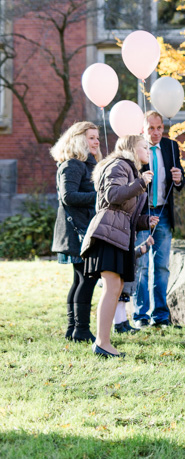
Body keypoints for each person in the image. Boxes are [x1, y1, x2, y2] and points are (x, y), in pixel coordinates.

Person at [80, 135, 158, 357]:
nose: (148, 150)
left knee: (116, 286)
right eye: (144, 147)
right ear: (131, 148)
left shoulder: (131, 171)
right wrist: (141, 182)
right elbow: (112, 195)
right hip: (108, 234)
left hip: (118, 234)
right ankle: (102, 343)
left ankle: (104, 342)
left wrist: (144, 221)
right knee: (112, 286)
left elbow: (125, 211)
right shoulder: (120, 165)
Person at [133, 110, 185, 328]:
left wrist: (180, 178)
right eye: (151, 128)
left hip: (163, 213)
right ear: (142, 129)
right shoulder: (136, 149)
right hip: (143, 213)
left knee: (162, 267)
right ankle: (140, 316)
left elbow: (180, 179)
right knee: (142, 266)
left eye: (159, 128)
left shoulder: (171, 146)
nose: (156, 133)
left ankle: (161, 316)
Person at [50, 121, 102, 343]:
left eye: (97, 137)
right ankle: (80, 330)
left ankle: (74, 329)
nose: (97, 141)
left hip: (80, 228)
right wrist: (101, 196)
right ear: (79, 139)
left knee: (80, 278)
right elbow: (68, 196)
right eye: (91, 137)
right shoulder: (73, 164)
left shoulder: (85, 163)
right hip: (77, 230)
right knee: (87, 278)